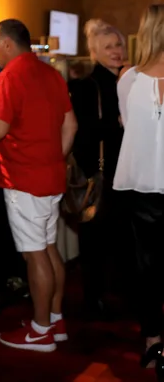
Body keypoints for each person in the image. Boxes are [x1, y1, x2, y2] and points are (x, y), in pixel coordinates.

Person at [0, 19, 77, 352]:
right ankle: (55, 319)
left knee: (35, 255)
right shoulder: (51, 74)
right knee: (49, 248)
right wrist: (52, 157)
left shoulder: (9, 77)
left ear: (8, 44)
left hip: (23, 178)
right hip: (51, 177)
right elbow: (71, 125)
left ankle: (40, 331)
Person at [113, 5, 164, 370]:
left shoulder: (128, 79)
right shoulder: (128, 78)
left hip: (141, 186)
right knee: (147, 267)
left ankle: (153, 341)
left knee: (147, 266)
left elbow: (128, 125)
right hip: (142, 189)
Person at [70, 19, 127, 317]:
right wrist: (117, 123)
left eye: (118, 45)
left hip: (125, 174)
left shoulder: (128, 81)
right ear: (94, 52)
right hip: (102, 174)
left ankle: (112, 297)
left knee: (118, 242)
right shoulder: (87, 86)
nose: (116, 51)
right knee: (95, 242)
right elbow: (83, 134)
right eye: (108, 47)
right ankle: (95, 301)